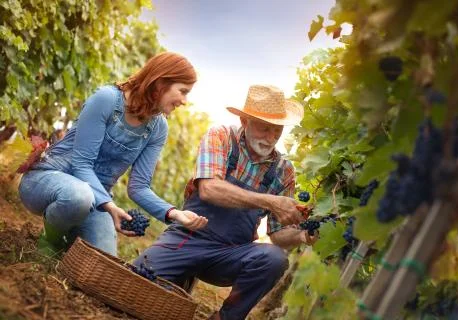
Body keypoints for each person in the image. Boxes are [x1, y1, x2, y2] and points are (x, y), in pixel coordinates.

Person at [134, 85, 319, 320]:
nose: (271, 138)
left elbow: (278, 235)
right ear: (245, 120)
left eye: (277, 130)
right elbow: (210, 190)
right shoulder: (221, 137)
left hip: (231, 254)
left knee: (274, 258)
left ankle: (226, 317)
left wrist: (302, 236)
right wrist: (270, 201)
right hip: (188, 239)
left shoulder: (284, 171)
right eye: (265, 128)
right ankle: (180, 277)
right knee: (137, 278)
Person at [18, 52, 208, 257]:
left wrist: (174, 213)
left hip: (95, 200)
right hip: (47, 179)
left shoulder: (158, 128)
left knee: (104, 258)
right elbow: (81, 163)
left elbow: (139, 187)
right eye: (183, 91)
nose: (185, 101)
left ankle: (68, 236)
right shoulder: (106, 99)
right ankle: (49, 243)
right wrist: (109, 206)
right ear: (161, 82)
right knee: (79, 197)